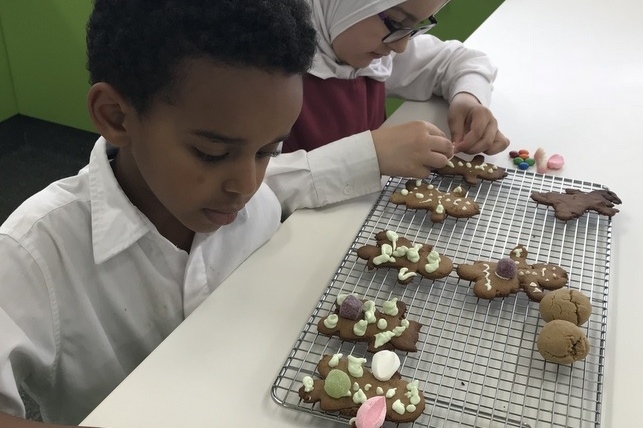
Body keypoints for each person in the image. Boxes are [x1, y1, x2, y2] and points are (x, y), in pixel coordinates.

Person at [0, 0, 329, 426]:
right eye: (212, 153)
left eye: (269, 151)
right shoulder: (34, 253)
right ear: (116, 116)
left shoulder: (260, 210)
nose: (245, 186)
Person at [281, 0, 510, 176]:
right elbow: (257, 188)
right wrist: (368, 156)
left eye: (414, 27)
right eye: (396, 21)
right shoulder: (264, 77)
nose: (400, 47)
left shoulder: (362, 47)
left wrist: (468, 99)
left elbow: (460, 61)